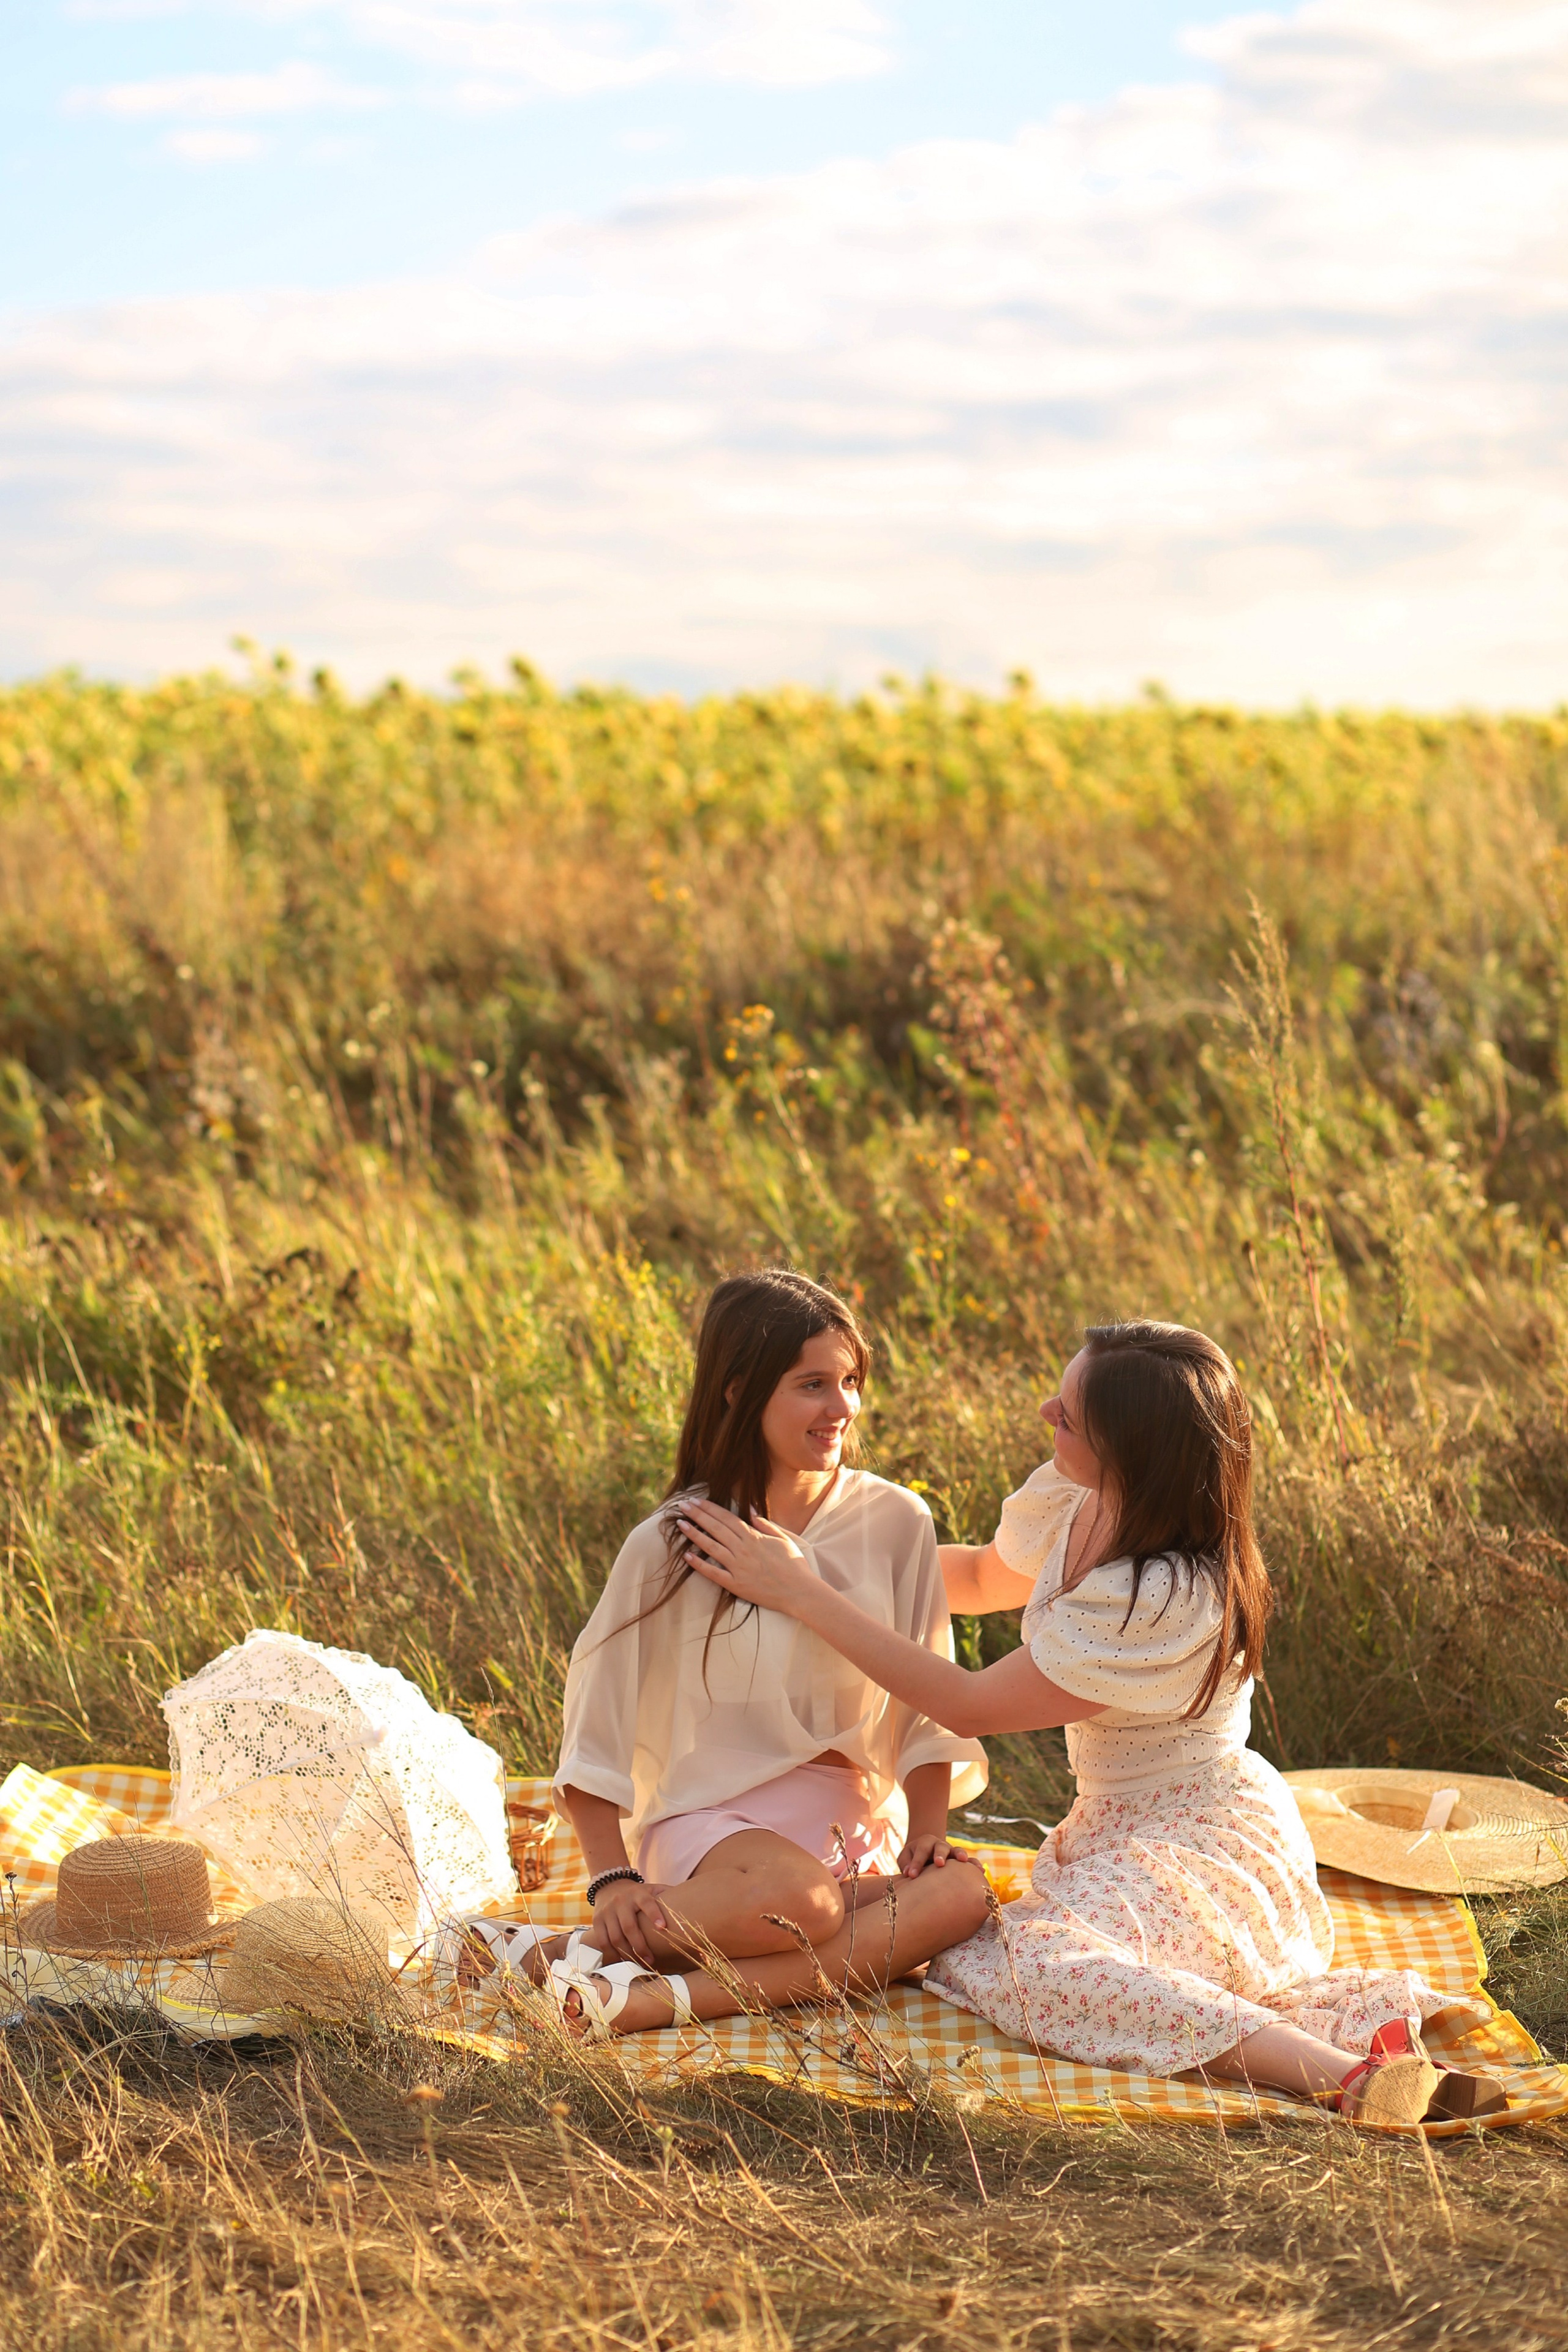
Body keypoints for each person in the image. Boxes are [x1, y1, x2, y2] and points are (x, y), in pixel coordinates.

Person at [677, 1321, 1507, 2127]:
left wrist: (800, 1593)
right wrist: (797, 1562)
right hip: (1114, 1826)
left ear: (1129, 1447)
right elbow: (971, 1579)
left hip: (1205, 1837)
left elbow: (966, 1704)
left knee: (1036, 1967)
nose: (1046, 1414)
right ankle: (1362, 2054)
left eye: (1069, 1414)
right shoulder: (1077, 1498)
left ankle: (1348, 2076)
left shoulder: (1167, 1599)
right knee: (977, 1951)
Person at [456, 1270, 990, 2035]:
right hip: (720, 1834)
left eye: (849, 1381)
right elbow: (595, 1727)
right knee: (803, 1906)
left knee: (964, 1895)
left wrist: (932, 1828)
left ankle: (595, 1976)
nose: (842, 1408)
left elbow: (926, 1702)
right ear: (739, 1390)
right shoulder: (674, 1543)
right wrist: (612, 1881)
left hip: (857, 1832)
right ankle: (610, 1951)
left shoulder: (897, 1519)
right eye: (812, 1385)